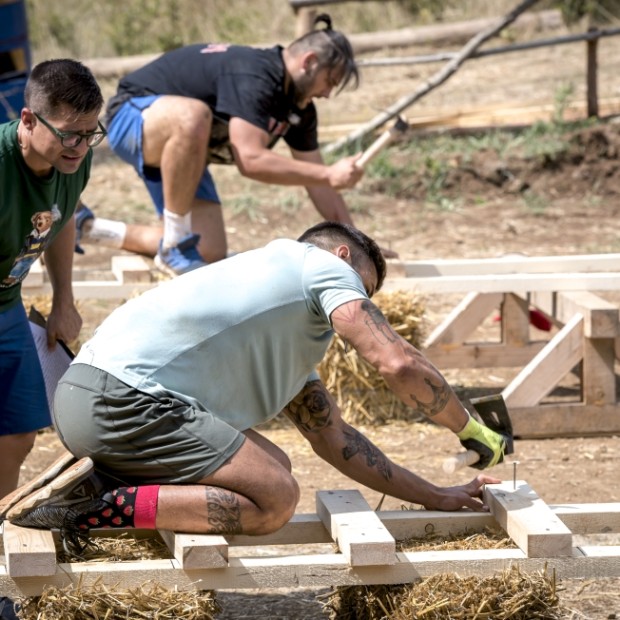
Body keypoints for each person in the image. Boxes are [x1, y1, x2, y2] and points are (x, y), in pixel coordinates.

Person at [6, 222, 505, 554]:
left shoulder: (274, 313)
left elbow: (340, 442)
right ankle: (88, 509)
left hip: (94, 398)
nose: (359, 303)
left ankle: (101, 481)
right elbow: (396, 362)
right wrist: (470, 428)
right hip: (123, 400)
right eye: (363, 289)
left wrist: (435, 494)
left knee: (273, 468)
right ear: (341, 254)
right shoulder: (322, 266)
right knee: (275, 499)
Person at [75, 13, 397, 276]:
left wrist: (358, 245)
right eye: (330, 82)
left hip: (185, 151)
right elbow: (251, 160)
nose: (327, 94)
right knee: (193, 114)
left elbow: (319, 181)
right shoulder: (256, 74)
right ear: (309, 61)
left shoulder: (299, 108)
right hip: (132, 117)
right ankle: (174, 245)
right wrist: (328, 174)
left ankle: (88, 227)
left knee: (209, 249)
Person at [0, 59, 106, 508]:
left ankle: (2, 525)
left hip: (7, 306)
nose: (80, 146)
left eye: (91, 133)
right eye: (69, 133)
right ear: (28, 119)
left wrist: (64, 299)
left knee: (18, 433)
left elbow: (61, 220)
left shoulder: (71, 162)